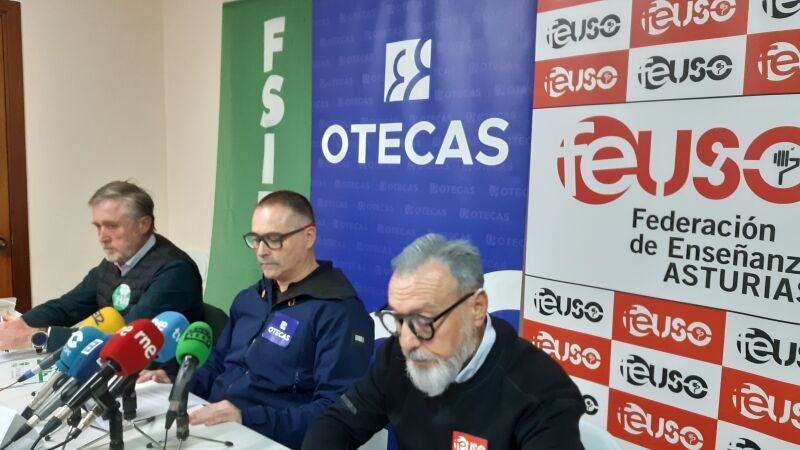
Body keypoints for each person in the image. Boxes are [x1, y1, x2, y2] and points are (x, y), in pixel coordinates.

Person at [302, 234, 586, 450]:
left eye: (424, 320)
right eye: (398, 319)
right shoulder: (396, 356)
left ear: (476, 308)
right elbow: (338, 423)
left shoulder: (541, 392)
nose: (408, 341)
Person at [139, 190, 374, 450]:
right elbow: (218, 365)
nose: (261, 251)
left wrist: (246, 417)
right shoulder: (250, 298)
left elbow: (336, 415)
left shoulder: (340, 312)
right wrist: (178, 383)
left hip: (268, 438)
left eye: (273, 239)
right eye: (256, 239)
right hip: (214, 425)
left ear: (309, 237)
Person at [0, 180, 204, 352]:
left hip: (157, 376)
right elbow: (66, 307)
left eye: (112, 226)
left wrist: (35, 337)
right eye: (98, 226)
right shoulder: (116, 261)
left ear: (143, 224)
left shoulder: (176, 271)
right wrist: (20, 325)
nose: (102, 237)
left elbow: (125, 337)